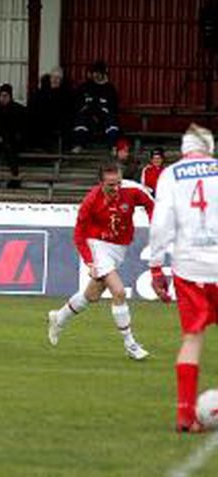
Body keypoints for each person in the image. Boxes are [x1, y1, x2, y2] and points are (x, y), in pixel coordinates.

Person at [149, 124, 218, 433]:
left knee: (192, 339)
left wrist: (155, 266)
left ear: (184, 147)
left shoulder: (171, 174)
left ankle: (185, 416)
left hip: (189, 266)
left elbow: (161, 223)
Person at [47, 162, 154, 360]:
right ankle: (130, 345)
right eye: (111, 185)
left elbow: (151, 204)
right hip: (98, 245)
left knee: (91, 296)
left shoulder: (132, 190)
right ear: (101, 183)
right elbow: (79, 235)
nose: (116, 188)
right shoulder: (90, 201)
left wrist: (155, 225)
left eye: (118, 183)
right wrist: (90, 262)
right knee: (119, 292)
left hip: (119, 247)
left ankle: (58, 317)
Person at [0, 83, 26, 189]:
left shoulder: (18, 110)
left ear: (10, 96)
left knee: (11, 148)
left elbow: (22, 128)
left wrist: (12, 137)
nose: (3, 98)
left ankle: (14, 177)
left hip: (12, 140)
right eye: (1, 95)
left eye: (6, 96)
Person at [71, 60, 120, 153]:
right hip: (88, 116)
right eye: (94, 72)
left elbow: (113, 107)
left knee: (112, 121)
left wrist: (101, 112)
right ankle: (79, 145)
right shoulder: (84, 87)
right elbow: (78, 104)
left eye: (99, 72)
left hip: (104, 117)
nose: (96, 75)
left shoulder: (109, 88)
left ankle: (113, 146)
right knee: (80, 120)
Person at [29, 67, 74, 149]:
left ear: (61, 80)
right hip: (41, 119)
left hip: (58, 121)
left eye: (58, 78)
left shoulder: (66, 94)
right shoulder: (41, 92)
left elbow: (68, 110)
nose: (55, 80)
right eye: (53, 77)